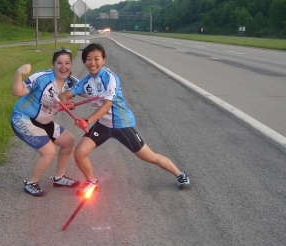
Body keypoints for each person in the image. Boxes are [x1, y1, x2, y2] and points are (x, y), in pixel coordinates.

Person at [59, 43, 190, 196]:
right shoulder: (87, 81)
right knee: (80, 153)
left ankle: (180, 175)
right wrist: (67, 101)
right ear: (84, 61)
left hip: (121, 124)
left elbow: (107, 105)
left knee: (149, 157)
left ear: (103, 60)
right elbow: (66, 95)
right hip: (103, 124)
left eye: (96, 59)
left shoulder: (110, 78)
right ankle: (91, 181)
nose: (92, 63)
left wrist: (87, 120)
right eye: (88, 59)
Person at [10, 48, 80, 197]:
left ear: (71, 64)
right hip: (23, 118)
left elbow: (91, 91)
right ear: (53, 64)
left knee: (69, 141)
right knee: (48, 151)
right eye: (59, 63)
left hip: (43, 121)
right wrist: (19, 73)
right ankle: (30, 183)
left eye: (67, 63)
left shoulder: (72, 82)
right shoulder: (42, 77)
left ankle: (59, 178)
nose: (63, 67)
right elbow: (18, 91)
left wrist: (101, 76)